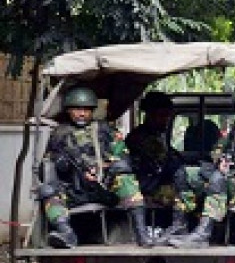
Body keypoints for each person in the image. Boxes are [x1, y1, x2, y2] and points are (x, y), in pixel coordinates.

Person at [38, 86, 151, 248]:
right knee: (47, 191)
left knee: (125, 177)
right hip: (77, 191)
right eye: (77, 109)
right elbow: (50, 163)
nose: (82, 114)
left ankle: (142, 233)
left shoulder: (106, 130)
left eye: (86, 109)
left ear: (92, 111)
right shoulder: (59, 134)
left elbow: (123, 158)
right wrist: (62, 164)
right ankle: (67, 233)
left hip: (105, 188)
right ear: (69, 110)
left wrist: (103, 169)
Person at [168, 81, 235, 248]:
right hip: (230, 178)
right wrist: (221, 160)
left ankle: (203, 235)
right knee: (183, 174)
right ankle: (179, 227)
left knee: (218, 180)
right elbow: (217, 150)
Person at [126, 92, 183, 207]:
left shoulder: (155, 135)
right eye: (162, 115)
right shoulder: (141, 137)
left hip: (154, 184)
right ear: (150, 115)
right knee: (186, 194)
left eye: (167, 116)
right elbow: (163, 162)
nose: (166, 120)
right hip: (148, 188)